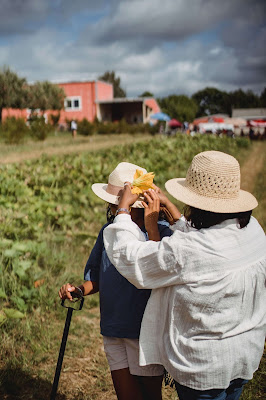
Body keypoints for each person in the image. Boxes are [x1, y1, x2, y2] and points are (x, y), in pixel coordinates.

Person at [103, 151, 266, 400]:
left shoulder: (188, 251)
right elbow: (205, 240)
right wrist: (174, 215)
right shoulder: (253, 231)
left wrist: (123, 210)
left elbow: (132, 258)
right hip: (245, 354)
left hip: (204, 367)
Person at [58, 162, 173, 400]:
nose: (112, 206)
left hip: (144, 331)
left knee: (150, 395)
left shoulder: (162, 232)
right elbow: (98, 277)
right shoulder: (108, 231)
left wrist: (152, 228)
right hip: (113, 327)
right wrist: (79, 289)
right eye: (113, 203)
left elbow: (158, 269)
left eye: (117, 202)